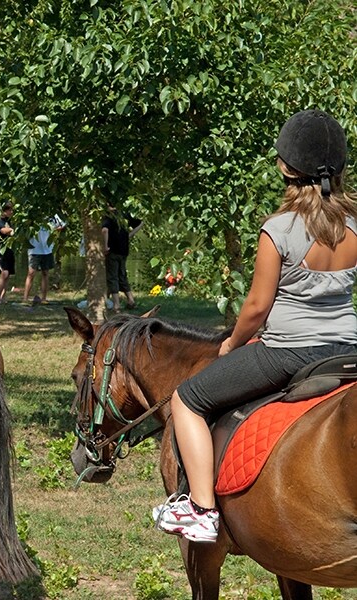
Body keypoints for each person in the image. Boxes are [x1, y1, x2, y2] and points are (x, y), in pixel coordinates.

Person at [152, 109, 357, 544]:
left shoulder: (278, 229)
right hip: (346, 350)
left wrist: (232, 342)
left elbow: (257, 306)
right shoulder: (354, 227)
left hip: (288, 352)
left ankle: (202, 508)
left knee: (187, 399)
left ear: (285, 167)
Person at [102, 205, 142, 311]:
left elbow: (105, 230)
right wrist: (128, 236)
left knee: (112, 277)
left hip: (113, 250)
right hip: (124, 250)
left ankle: (116, 305)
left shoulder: (108, 216)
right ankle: (131, 300)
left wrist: (105, 246)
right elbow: (140, 223)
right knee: (122, 275)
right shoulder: (124, 215)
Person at [23, 216, 59, 304]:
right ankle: (25, 298)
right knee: (31, 273)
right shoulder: (33, 213)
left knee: (45, 273)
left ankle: (44, 298)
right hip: (34, 249)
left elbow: (61, 225)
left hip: (47, 249)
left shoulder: (53, 216)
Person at [0, 202, 15, 304]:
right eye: (9, 210)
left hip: (9, 250)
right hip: (0, 251)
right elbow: (3, 230)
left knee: (8, 274)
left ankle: (3, 297)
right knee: (4, 273)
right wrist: (12, 230)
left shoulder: (10, 221)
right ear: (4, 211)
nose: (11, 212)